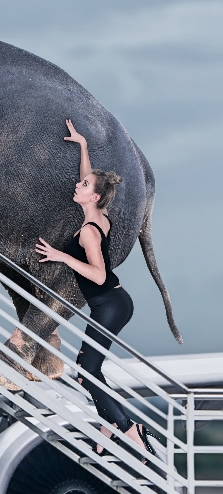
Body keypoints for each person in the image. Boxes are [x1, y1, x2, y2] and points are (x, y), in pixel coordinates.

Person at [35, 119, 154, 457]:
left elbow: (99, 275)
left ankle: (129, 430)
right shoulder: (100, 213)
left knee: (87, 372)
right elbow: (92, 179)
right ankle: (107, 429)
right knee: (90, 370)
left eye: (83, 184)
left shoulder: (89, 229)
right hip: (113, 303)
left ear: (95, 196)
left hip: (109, 302)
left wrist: (60, 255)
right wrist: (82, 146)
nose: (78, 184)